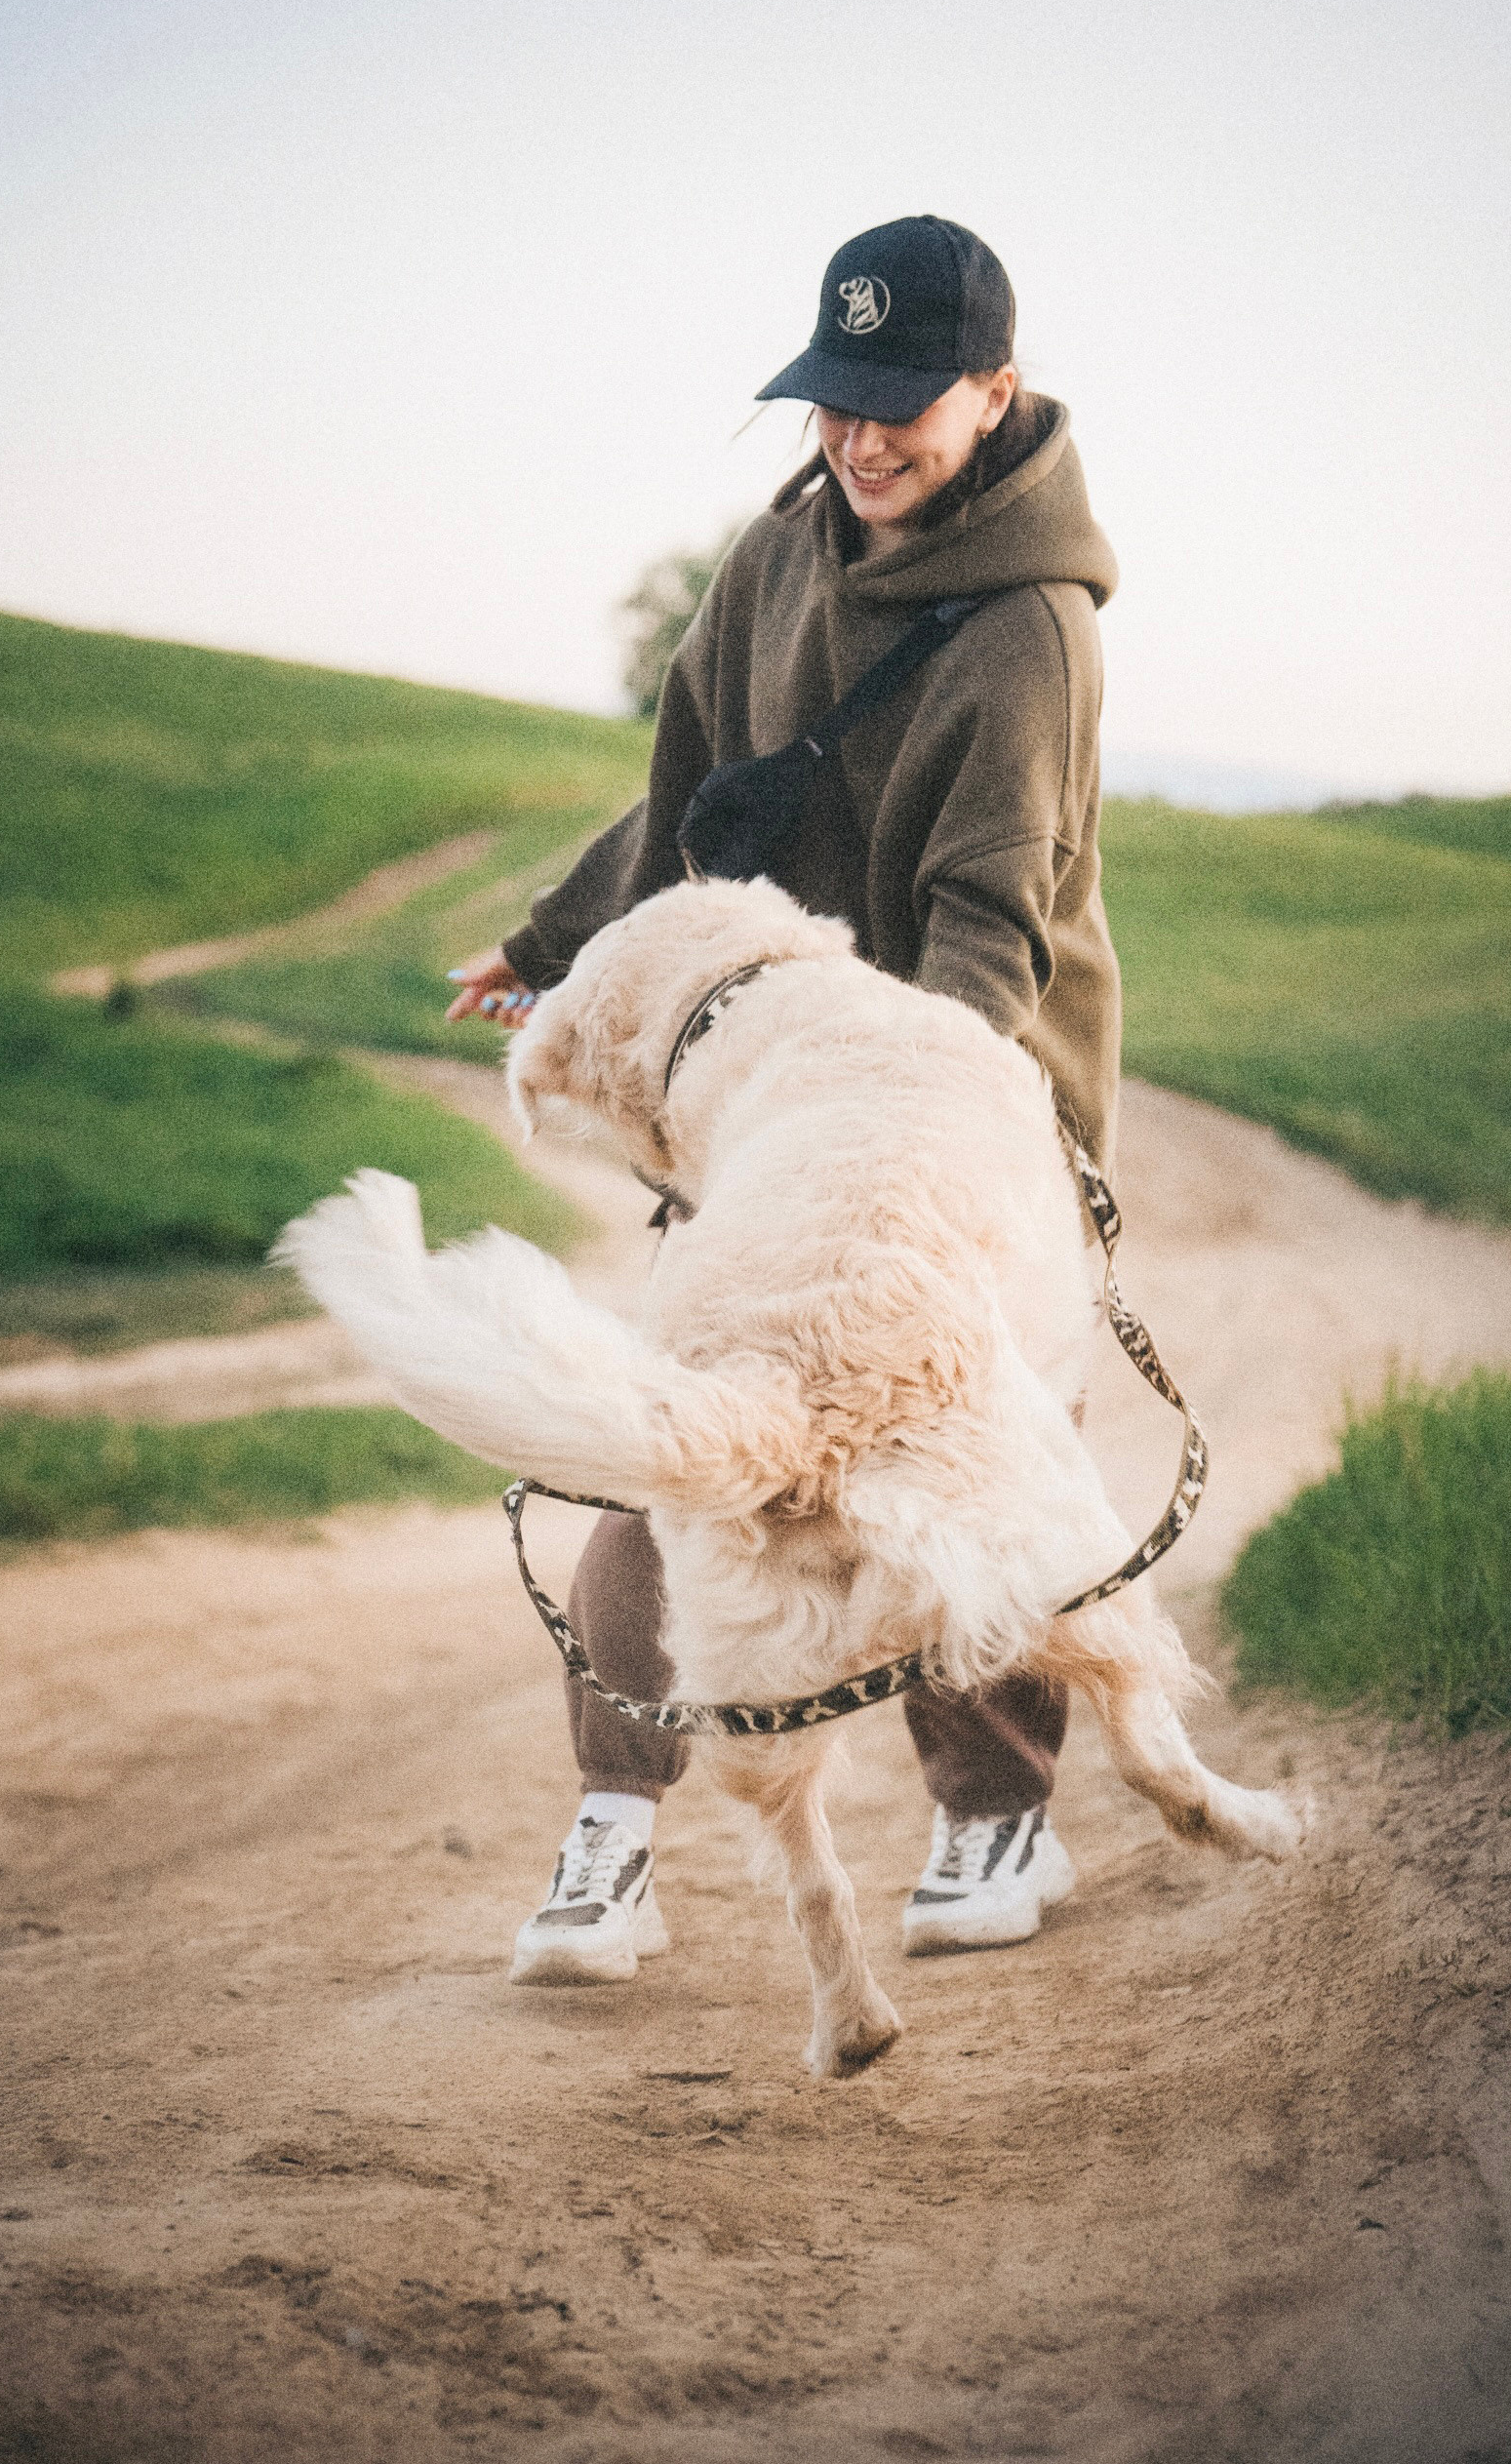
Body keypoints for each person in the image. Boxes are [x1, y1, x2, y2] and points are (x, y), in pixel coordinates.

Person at [446, 214, 1123, 1987]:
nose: (864, 437)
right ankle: (614, 1830)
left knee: (958, 1439)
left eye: (905, 403)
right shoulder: (772, 561)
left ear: (997, 387)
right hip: (770, 1094)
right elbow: (691, 809)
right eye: (836, 400)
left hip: (962, 1103)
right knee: (683, 1425)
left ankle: (998, 1815)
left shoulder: (1031, 631)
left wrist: (900, 1171)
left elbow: (998, 927)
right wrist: (553, 946)